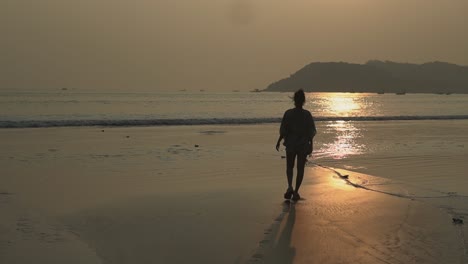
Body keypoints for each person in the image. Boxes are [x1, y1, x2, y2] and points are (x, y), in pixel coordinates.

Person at [275, 89, 316, 201]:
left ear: (294, 100)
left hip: (291, 144)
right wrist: (311, 144)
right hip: (302, 145)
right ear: (303, 101)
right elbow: (311, 132)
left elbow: (284, 130)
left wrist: (279, 140)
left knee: (289, 166)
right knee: (300, 168)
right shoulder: (307, 114)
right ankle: (296, 191)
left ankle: (289, 187)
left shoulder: (288, 113)